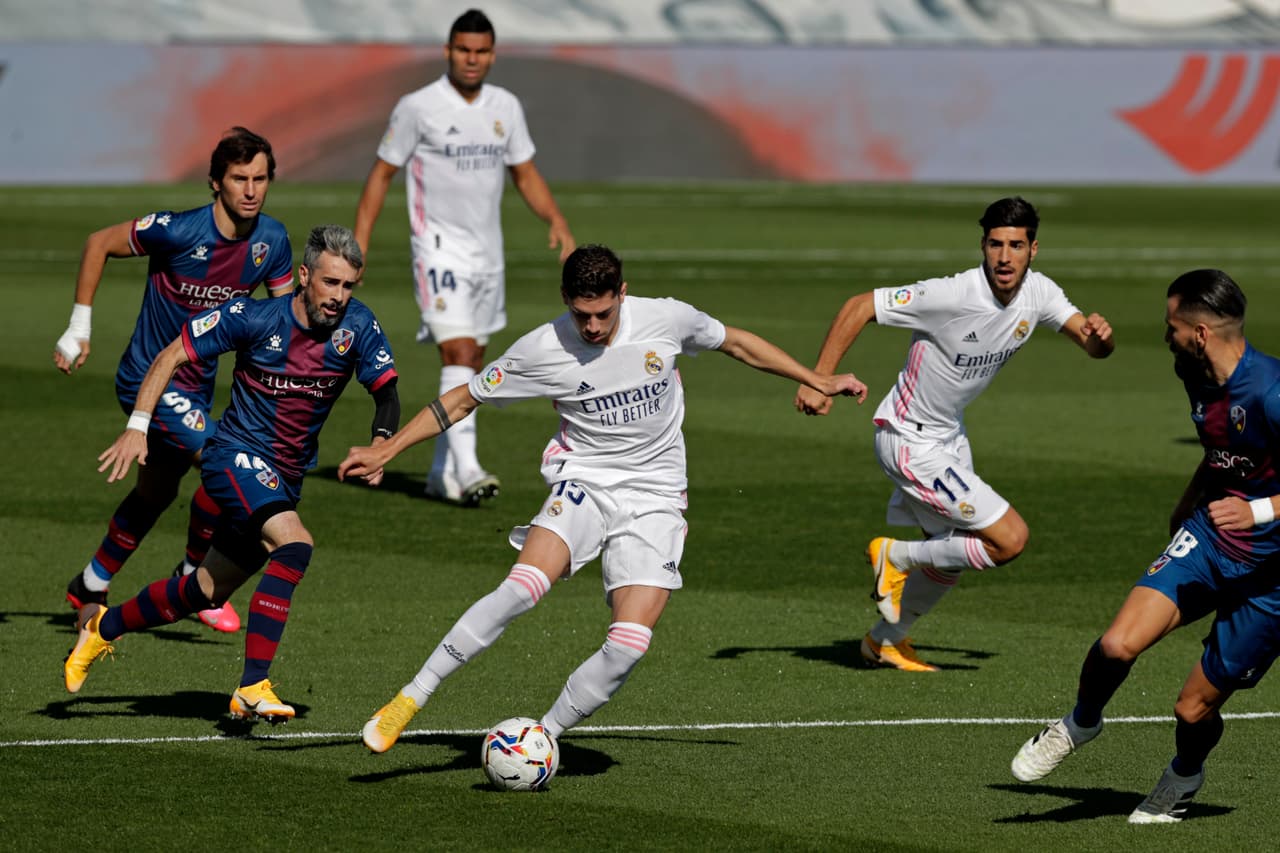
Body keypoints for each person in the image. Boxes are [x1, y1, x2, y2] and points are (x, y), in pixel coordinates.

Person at [339, 244, 865, 752]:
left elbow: (738, 344)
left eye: (603, 314)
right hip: (585, 481)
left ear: (623, 294)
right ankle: (411, 697)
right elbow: (463, 398)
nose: (592, 327)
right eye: (581, 314)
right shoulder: (540, 349)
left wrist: (814, 378)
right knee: (523, 587)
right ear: (566, 300)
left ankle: (541, 737)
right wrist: (389, 449)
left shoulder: (666, 319)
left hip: (657, 496)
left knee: (629, 644)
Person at [63, 224, 400, 721]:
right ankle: (251, 686)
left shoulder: (360, 328)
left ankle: (101, 629)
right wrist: (138, 426)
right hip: (234, 456)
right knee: (295, 544)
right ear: (305, 276)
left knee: (204, 589)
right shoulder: (254, 316)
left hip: (284, 476)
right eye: (331, 283)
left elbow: (387, 394)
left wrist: (380, 445)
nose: (339, 297)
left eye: (349, 286)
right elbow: (171, 354)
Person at [796, 196, 1114, 672]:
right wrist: (819, 379)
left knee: (951, 557)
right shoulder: (950, 294)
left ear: (1034, 250)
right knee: (1009, 539)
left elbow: (1091, 345)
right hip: (908, 438)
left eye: (1016, 245)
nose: (1004, 257)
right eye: (995, 244)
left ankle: (883, 640)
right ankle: (895, 556)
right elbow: (860, 305)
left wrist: (1101, 338)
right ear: (983, 246)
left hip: (948, 437)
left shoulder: (1040, 294)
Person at [1012, 269, 1280, 823]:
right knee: (1116, 646)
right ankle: (1081, 721)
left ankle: (1183, 777)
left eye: (1172, 326)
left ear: (1201, 333)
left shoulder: (1273, 392)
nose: (1165, 336)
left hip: (1270, 578)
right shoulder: (1193, 370)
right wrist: (1191, 501)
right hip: (1210, 537)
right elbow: (1223, 451)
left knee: (1191, 709)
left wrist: (1257, 510)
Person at [54, 126, 295, 634]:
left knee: (156, 494)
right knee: (221, 460)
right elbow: (98, 243)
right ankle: (193, 576)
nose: (251, 190)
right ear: (215, 183)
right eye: (238, 179)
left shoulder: (271, 241)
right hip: (149, 380)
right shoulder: (178, 230)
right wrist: (79, 328)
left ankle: (90, 584)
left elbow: (285, 320)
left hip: (197, 389)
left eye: (260, 178)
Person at [354, 7, 576, 508]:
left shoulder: (505, 106)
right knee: (456, 354)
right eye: (462, 50)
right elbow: (380, 175)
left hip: (486, 254)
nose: (471, 60)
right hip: (437, 249)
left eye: (480, 52)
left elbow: (525, 172)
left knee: (473, 357)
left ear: (492, 55)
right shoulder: (418, 107)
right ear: (448, 51)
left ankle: (440, 473)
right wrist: (360, 243)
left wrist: (556, 221)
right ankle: (470, 468)